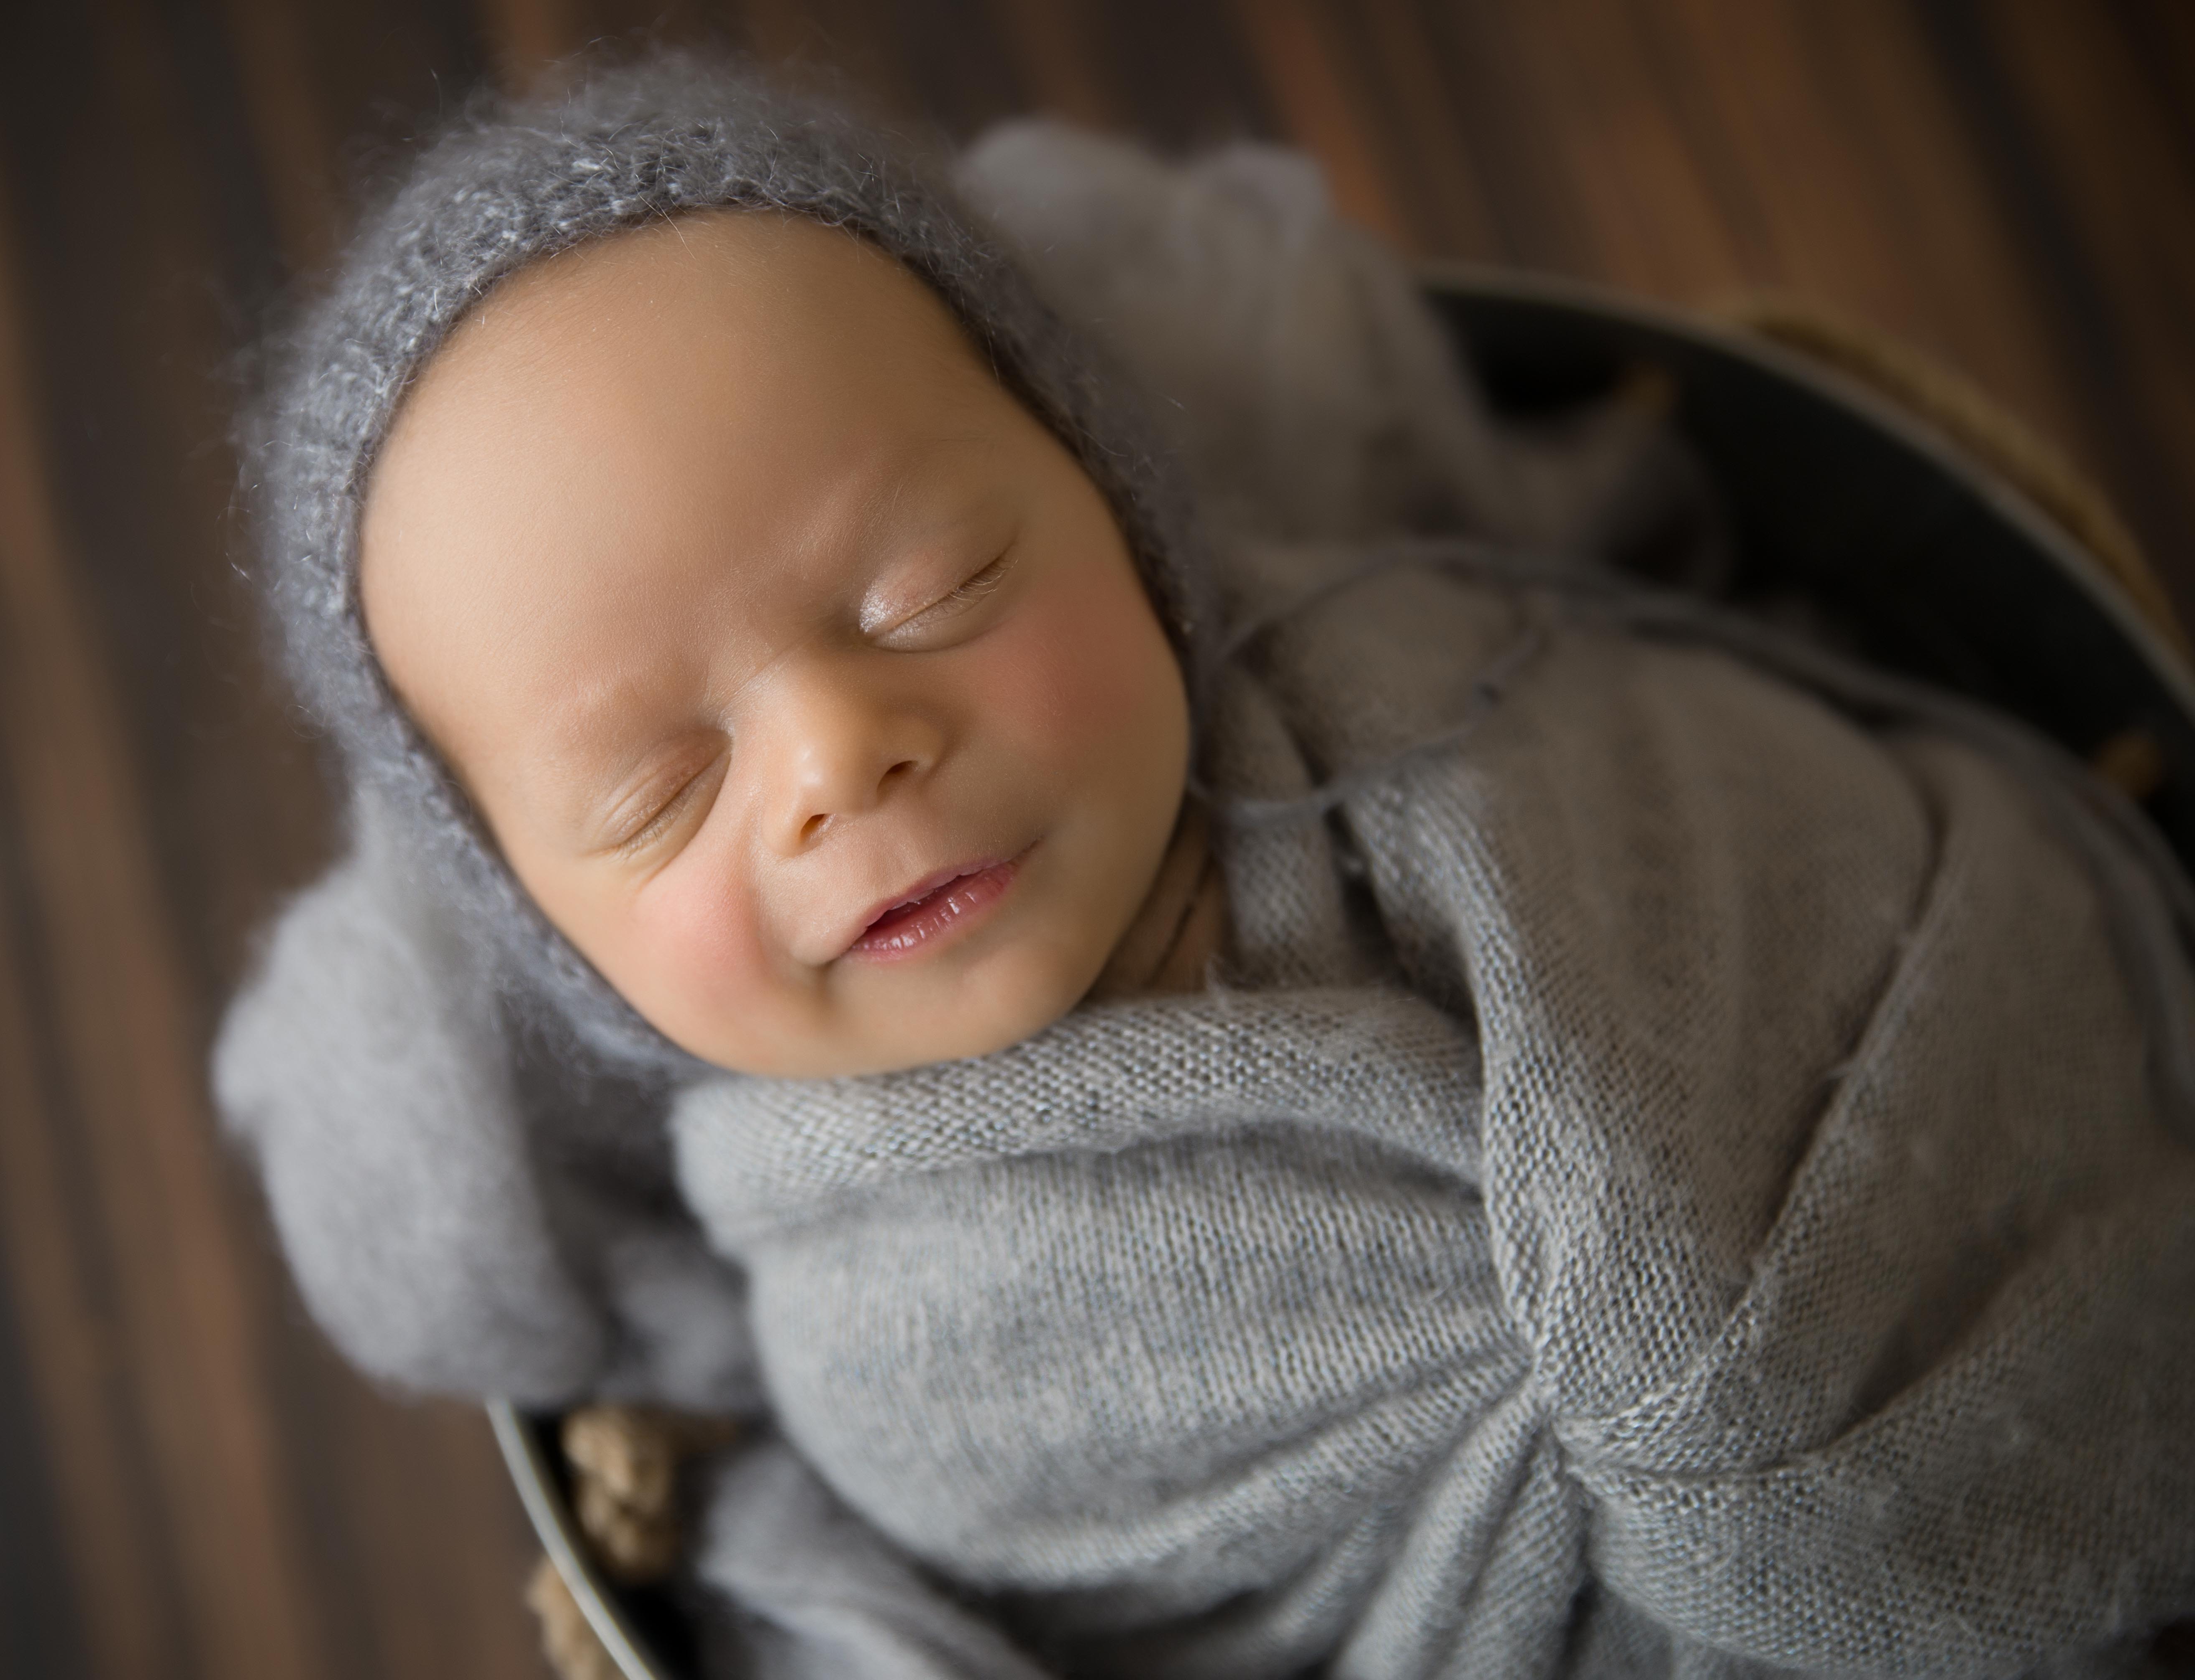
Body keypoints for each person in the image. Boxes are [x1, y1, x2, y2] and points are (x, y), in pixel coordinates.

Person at [216, 53, 2195, 1678]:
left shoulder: (1474, 693)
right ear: (562, 957)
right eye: (655, 790)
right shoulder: (864, 1341)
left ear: (1124, 497)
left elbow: (1903, 915)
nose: (835, 755)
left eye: (936, 585)